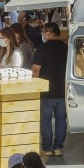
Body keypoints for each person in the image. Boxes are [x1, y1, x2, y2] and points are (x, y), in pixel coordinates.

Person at [32, 22, 68, 156]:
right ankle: (58, 148)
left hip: (46, 91)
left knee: (46, 121)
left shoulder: (42, 48)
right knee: (61, 120)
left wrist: (34, 86)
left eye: (44, 32)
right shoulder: (66, 48)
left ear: (48, 33)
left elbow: (36, 69)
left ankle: (46, 148)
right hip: (62, 91)